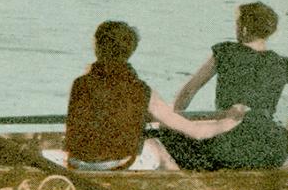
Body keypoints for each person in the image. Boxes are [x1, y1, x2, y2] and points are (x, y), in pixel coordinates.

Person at [59, 20, 246, 171]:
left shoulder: (79, 84)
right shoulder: (142, 91)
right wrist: (229, 121)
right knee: (154, 143)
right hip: (116, 166)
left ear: (96, 47)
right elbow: (196, 133)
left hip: (77, 164)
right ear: (130, 52)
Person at [163, 3, 288, 170]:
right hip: (271, 150)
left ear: (243, 29)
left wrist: (174, 119)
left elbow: (188, 91)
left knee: (167, 133)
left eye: (236, 23)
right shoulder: (282, 64)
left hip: (226, 146)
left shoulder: (226, 51)